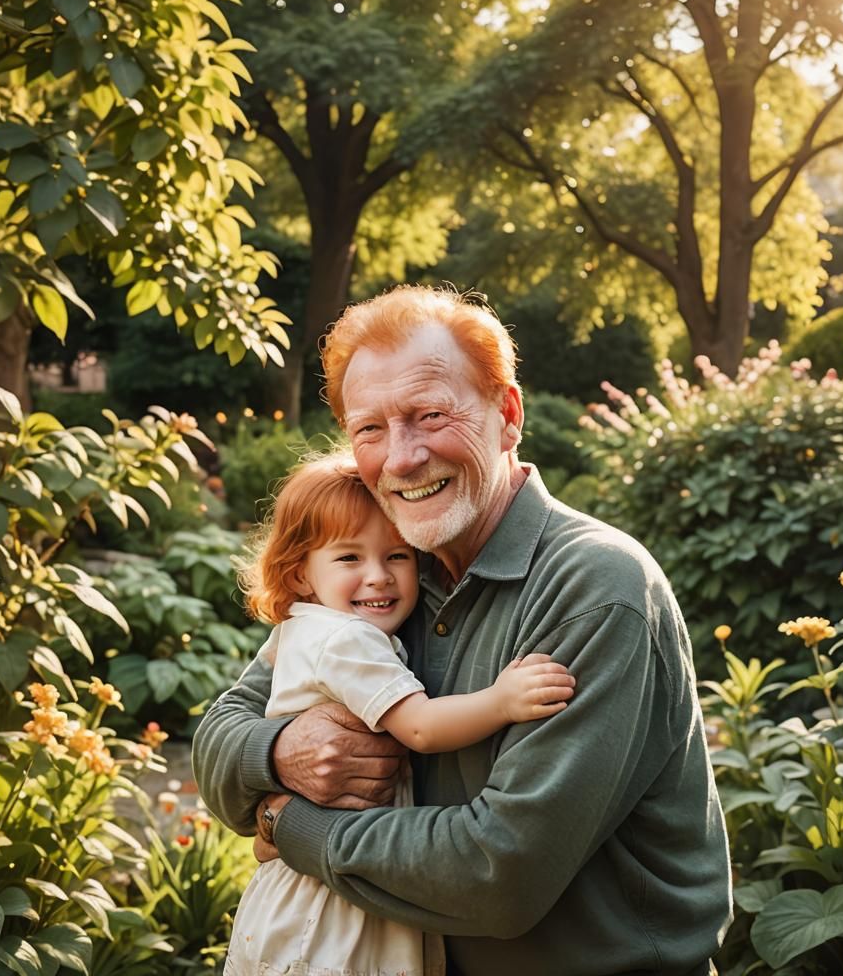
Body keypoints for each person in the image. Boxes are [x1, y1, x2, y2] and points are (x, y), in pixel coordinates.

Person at [194, 285, 732, 976]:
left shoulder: (596, 588)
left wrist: (288, 825)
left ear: (507, 415)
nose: (402, 458)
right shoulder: (388, 569)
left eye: (429, 415)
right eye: (370, 430)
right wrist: (280, 751)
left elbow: (498, 873)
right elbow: (218, 733)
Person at [225, 451, 575, 976]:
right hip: (335, 908)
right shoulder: (347, 641)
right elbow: (420, 726)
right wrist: (502, 700)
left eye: (397, 556)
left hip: (324, 873)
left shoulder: (303, 628)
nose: (378, 577)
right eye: (349, 559)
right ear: (299, 575)